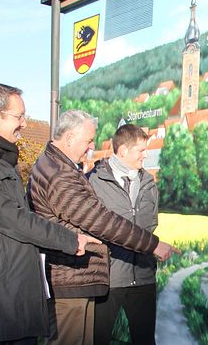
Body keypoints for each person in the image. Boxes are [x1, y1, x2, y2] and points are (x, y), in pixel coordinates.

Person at [0, 83, 102, 345]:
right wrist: (70, 239)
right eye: (19, 117)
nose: (25, 124)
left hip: (11, 298)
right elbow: (14, 219)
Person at [27, 110, 179, 345]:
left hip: (95, 277)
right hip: (79, 275)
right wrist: (153, 245)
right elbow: (102, 222)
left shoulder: (148, 183)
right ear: (69, 138)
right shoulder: (64, 174)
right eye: (88, 140)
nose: (91, 147)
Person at [88, 124, 163, 345]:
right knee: (99, 339)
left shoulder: (149, 184)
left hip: (143, 277)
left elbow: (152, 224)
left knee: (145, 340)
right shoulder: (94, 182)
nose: (146, 154)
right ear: (122, 151)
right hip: (109, 279)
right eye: (141, 150)